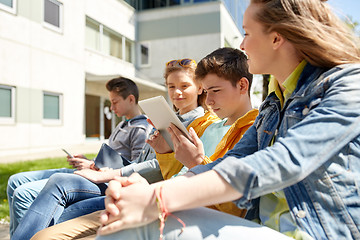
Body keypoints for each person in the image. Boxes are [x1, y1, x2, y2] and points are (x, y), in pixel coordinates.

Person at [94, 0, 360, 240]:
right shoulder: (274, 103)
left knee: (140, 224)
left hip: (311, 233)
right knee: (134, 221)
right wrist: (156, 189)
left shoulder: (346, 86)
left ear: (277, 38)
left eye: (247, 33)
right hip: (262, 228)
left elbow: (283, 161)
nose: (242, 45)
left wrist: (157, 197)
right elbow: (229, 163)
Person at [31, 47, 259, 240]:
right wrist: (166, 151)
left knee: (51, 228)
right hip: (162, 199)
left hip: (176, 209)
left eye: (215, 91)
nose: (208, 100)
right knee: (47, 228)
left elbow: (231, 199)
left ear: (242, 85)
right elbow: (177, 174)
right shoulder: (211, 127)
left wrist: (194, 162)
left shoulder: (250, 130)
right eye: (207, 91)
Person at [13, 58, 210, 240]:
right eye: (171, 86)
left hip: (140, 190)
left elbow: (160, 167)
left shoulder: (198, 124)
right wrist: (101, 167)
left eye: (185, 86)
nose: (176, 93)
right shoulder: (164, 118)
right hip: (123, 179)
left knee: (56, 191)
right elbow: (140, 162)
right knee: (45, 194)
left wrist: (108, 174)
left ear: (200, 88)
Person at [6, 77, 153, 236]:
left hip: (105, 180)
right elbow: (111, 159)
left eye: (115, 102)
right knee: (15, 181)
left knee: (23, 193)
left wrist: (92, 167)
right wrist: (89, 162)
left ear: (131, 99)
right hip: (95, 172)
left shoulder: (141, 128)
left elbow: (135, 169)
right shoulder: (122, 124)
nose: (111, 107)